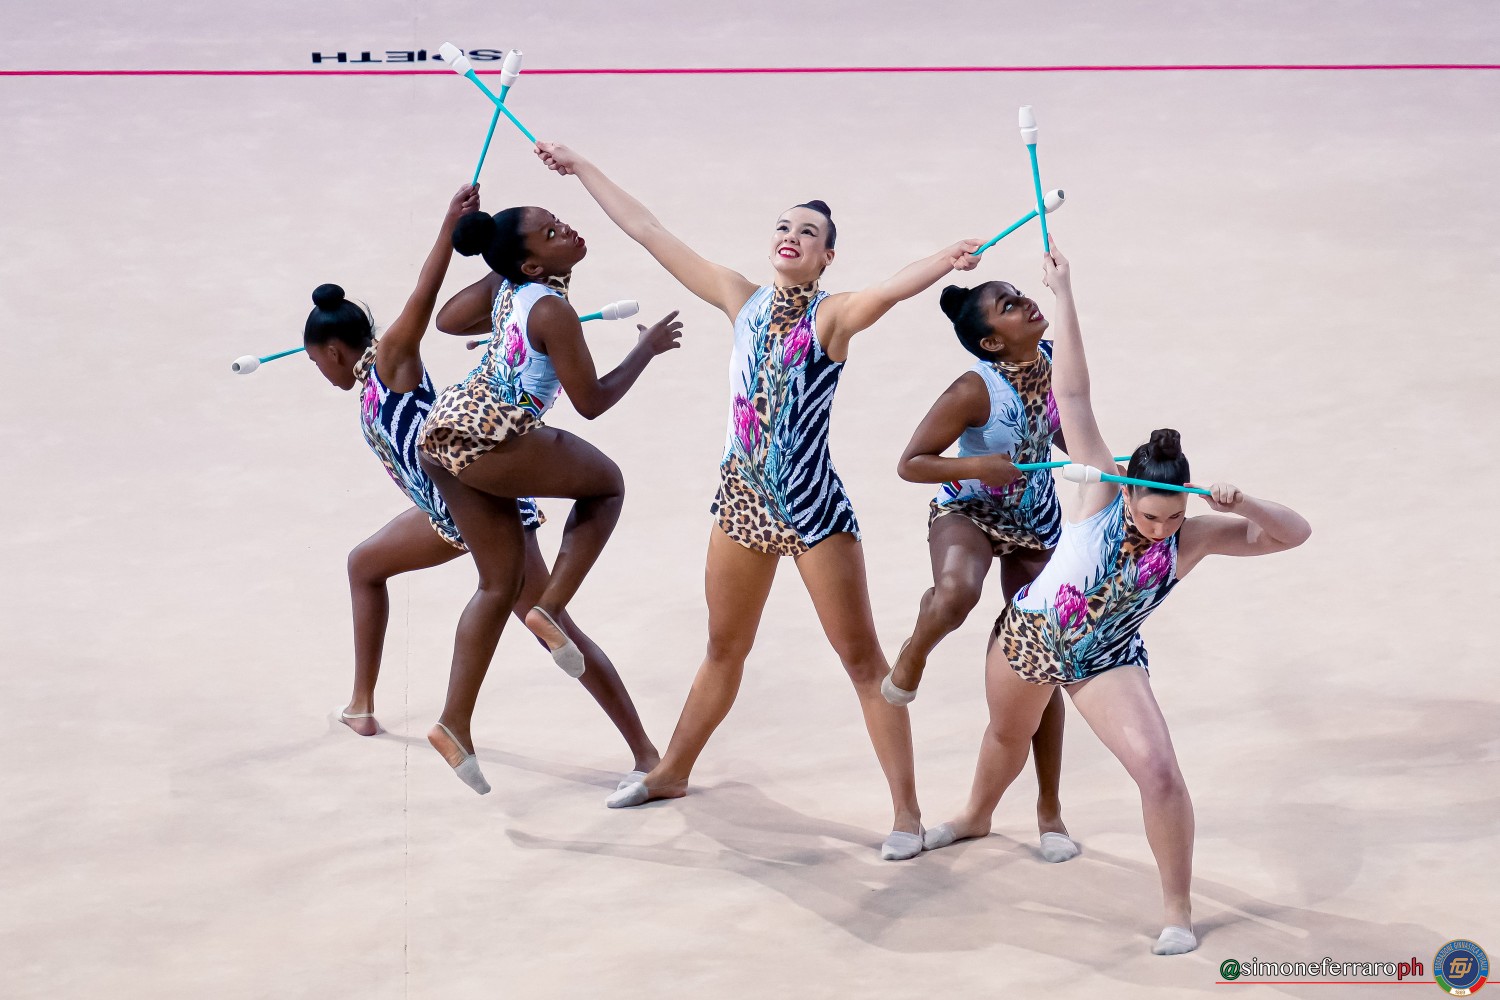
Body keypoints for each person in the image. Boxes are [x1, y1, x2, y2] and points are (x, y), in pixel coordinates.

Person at [536, 140, 981, 860]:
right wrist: (581, 166)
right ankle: (672, 772)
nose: (791, 236)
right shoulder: (737, 299)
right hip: (740, 507)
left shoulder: (832, 317)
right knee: (723, 649)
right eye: (784, 226)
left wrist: (944, 259)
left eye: (809, 233)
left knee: (863, 663)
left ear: (826, 257)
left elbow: (890, 291)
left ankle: (906, 815)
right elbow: (649, 230)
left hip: (812, 513)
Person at [921, 239, 1312, 954]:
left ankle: (1177, 911)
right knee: (1006, 737)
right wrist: (1064, 294)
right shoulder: (1099, 490)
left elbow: (1292, 535)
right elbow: (1072, 395)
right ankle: (976, 816)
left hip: (1105, 659)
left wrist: (1246, 501)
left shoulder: (1192, 535)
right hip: (1029, 634)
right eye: (1151, 515)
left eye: (1173, 517)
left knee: (1159, 773)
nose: (1161, 529)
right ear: (1129, 490)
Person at [414, 198, 681, 793]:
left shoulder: (510, 286)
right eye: (553, 233)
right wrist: (646, 349)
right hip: (492, 436)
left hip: (442, 436)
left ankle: (454, 722)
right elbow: (592, 402)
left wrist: (500, 291)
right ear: (532, 265)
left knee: (498, 584)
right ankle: (551, 607)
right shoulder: (553, 311)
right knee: (607, 486)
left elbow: (450, 321)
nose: (568, 230)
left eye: (558, 221)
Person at [886, 278, 1077, 862]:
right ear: (992, 342)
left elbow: (1055, 425)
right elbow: (910, 464)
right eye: (1009, 306)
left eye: (1018, 295)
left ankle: (1050, 811)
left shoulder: (1052, 360)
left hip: (1035, 520)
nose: (1025, 304)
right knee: (955, 593)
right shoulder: (973, 389)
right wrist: (978, 467)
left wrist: (1093, 458)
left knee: (1041, 662)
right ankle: (914, 654)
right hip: (969, 508)